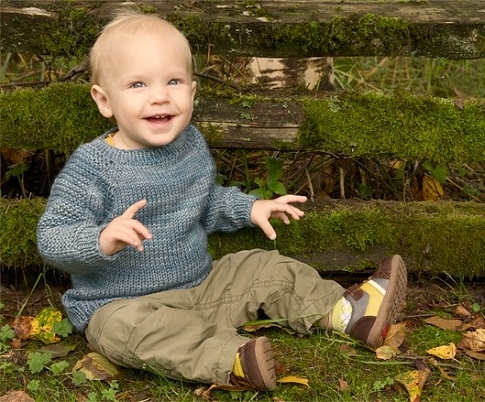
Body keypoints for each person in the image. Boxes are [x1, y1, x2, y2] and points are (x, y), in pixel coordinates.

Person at [36, 10, 407, 391]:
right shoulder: (92, 167)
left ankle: (347, 313)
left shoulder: (190, 145)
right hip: (123, 304)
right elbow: (52, 237)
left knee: (261, 265)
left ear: (193, 92)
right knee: (123, 332)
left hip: (202, 288)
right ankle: (230, 360)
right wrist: (100, 240)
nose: (160, 95)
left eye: (173, 81)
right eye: (137, 85)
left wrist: (250, 207)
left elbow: (205, 202)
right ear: (104, 100)